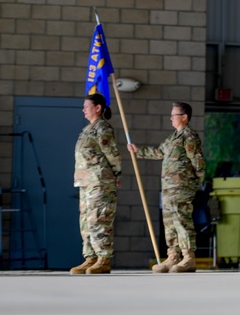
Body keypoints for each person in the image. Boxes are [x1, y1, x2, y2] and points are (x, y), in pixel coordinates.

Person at [128, 102, 205, 274]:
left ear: (184, 117)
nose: (171, 118)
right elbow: (159, 152)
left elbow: (198, 162)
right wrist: (138, 151)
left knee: (181, 220)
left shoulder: (189, 136)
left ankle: (188, 257)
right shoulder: (172, 138)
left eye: (174, 115)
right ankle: (173, 256)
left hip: (182, 187)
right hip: (169, 189)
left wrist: (194, 183)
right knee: (169, 223)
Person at [71, 93, 121, 275]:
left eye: (86, 106)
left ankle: (103, 259)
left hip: (100, 181)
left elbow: (112, 154)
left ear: (98, 108)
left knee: (99, 219)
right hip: (86, 182)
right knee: (86, 221)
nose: (83, 109)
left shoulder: (102, 128)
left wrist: (116, 173)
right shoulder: (87, 129)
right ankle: (90, 257)